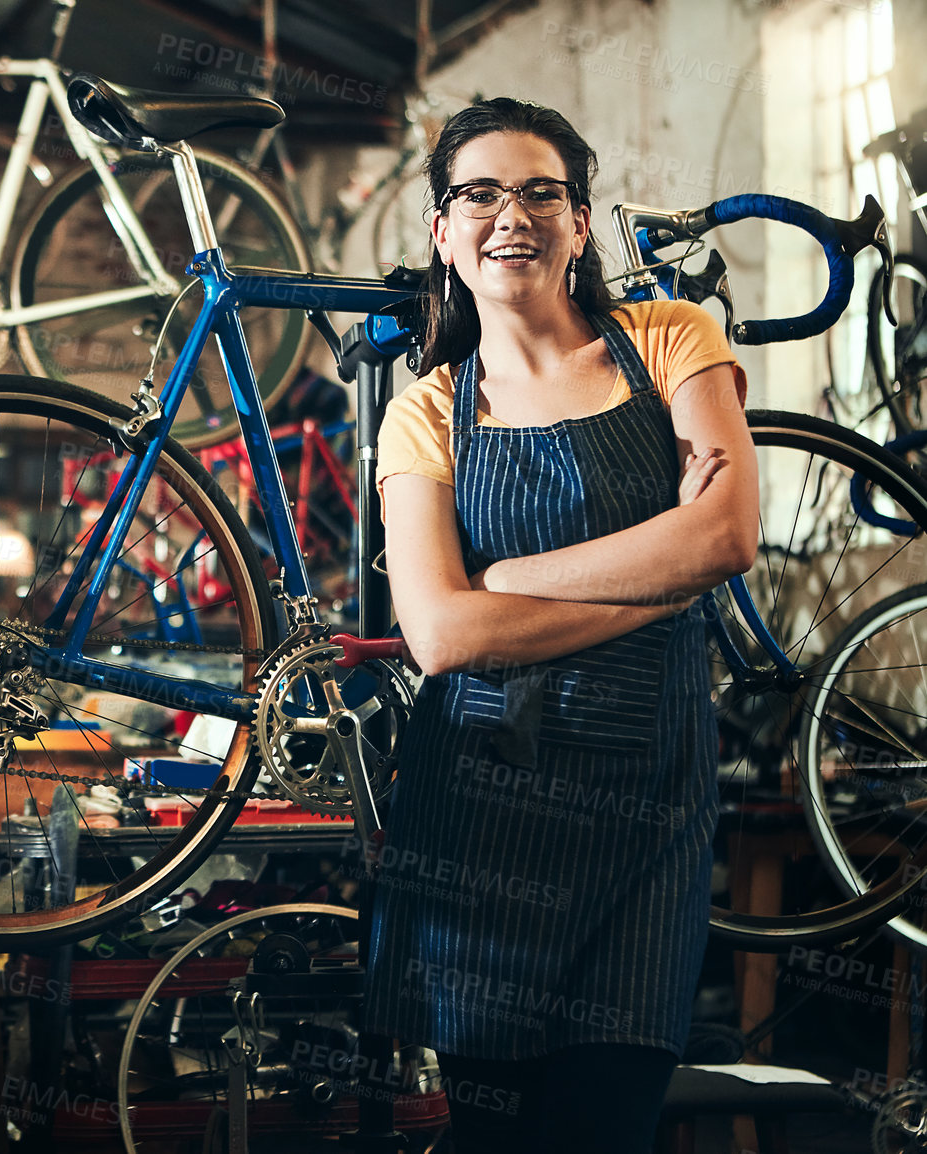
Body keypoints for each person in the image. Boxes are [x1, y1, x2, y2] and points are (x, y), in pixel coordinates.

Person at [364, 99, 758, 1153]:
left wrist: (513, 578)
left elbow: (721, 536)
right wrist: (653, 579)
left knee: (603, 1124)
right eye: (479, 192)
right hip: (482, 820)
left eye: (542, 190)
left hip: (648, 812)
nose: (512, 213)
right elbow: (441, 634)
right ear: (441, 232)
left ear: (581, 223)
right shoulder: (425, 412)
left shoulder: (673, 337)